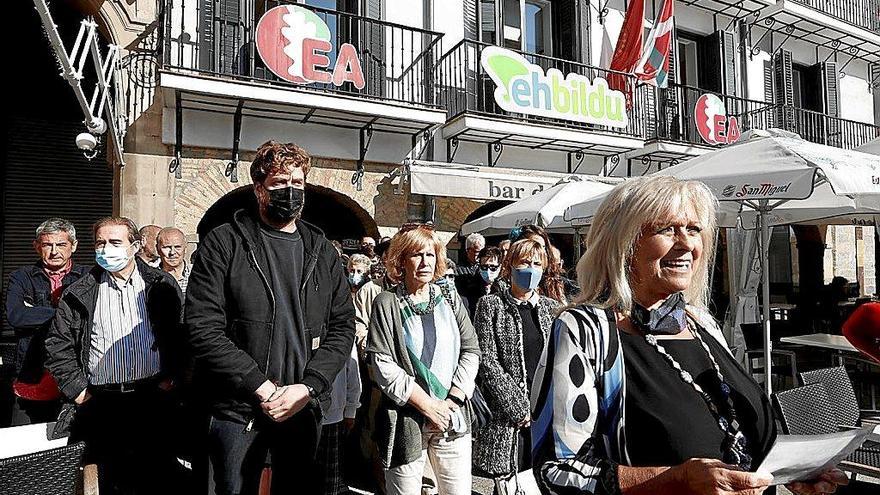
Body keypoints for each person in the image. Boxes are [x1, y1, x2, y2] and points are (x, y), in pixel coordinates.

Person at [530, 176, 848, 495]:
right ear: (624, 244)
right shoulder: (587, 329)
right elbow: (556, 472)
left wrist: (793, 474)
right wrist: (677, 480)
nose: (686, 244)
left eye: (694, 229)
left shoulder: (702, 323)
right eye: (667, 229)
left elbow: (741, 445)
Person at [184, 140, 355, 495]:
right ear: (259, 188)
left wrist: (308, 387)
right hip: (237, 407)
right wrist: (261, 386)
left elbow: (342, 327)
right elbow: (203, 328)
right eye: (279, 183)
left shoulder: (322, 250)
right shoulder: (224, 242)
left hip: (301, 406)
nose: (289, 191)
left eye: (297, 183)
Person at [45, 217, 184, 495]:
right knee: (107, 481)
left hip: (151, 398)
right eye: (101, 243)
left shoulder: (161, 285)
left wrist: (173, 378)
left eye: (115, 242)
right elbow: (57, 345)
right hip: (102, 403)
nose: (106, 249)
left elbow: (182, 335)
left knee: (157, 479)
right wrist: (79, 391)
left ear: (135, 246)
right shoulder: (80, 292)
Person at [365, 223, 481, 495]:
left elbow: (471, 349)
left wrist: (452, 401)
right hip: (406, 419)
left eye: (430, 255)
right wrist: (427, 406)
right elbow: (382, 364)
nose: (425, 262)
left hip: (452, 416)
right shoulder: (386, 302)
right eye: (416, 255)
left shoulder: (450, 298)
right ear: (401, 261)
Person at [472, 239, 560, 486]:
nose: (530, 269)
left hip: (547, 411)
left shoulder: (553, 309)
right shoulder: (491, 306)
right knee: (509, 481)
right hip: (508, 416)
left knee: (545, 478)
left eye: (536, 264)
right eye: (524, 262)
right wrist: (518, 406)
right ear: (510, 265)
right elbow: (487, 361)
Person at [5, 218, 87, 425]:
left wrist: (36, 313)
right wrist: (66, 314)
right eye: (47, 245)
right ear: (36, 246)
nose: (54, 251)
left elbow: (92, 318)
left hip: (76, 379)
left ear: (74, 246)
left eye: (61, 244)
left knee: (72, 451)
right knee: (22, 449)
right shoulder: (21, 277)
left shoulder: (87, 277)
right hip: (30, 377)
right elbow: (16, 316)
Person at [318, 342, 362, 495]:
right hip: (298, 412)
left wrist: (351, 410)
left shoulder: (341, 324)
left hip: (332, 416)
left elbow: (352, 372)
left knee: (328, 482)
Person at [509, 225, 566, 303]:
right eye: (532, 244)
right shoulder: (510, 281)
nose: (537, 250)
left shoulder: (555, 281)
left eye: (542, 247)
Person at [354, 238, 392, 354]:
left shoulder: (413, 289)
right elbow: (359, 324)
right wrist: (369, 347)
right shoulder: (368, 290)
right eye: (392, 255)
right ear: (384, 259)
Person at [459, 247, 503, 319]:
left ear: (499, 267)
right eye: (484, 267)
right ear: (479, 267)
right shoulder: (470, 289)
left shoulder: (504, 290)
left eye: (493, 267)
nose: (488, 271)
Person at [157, 227, 191, 294]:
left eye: (177, 247)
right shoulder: (151, 277)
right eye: (167, 247)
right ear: (158, 249)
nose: (172, 252)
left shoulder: (197, 273)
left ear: (185, 248)